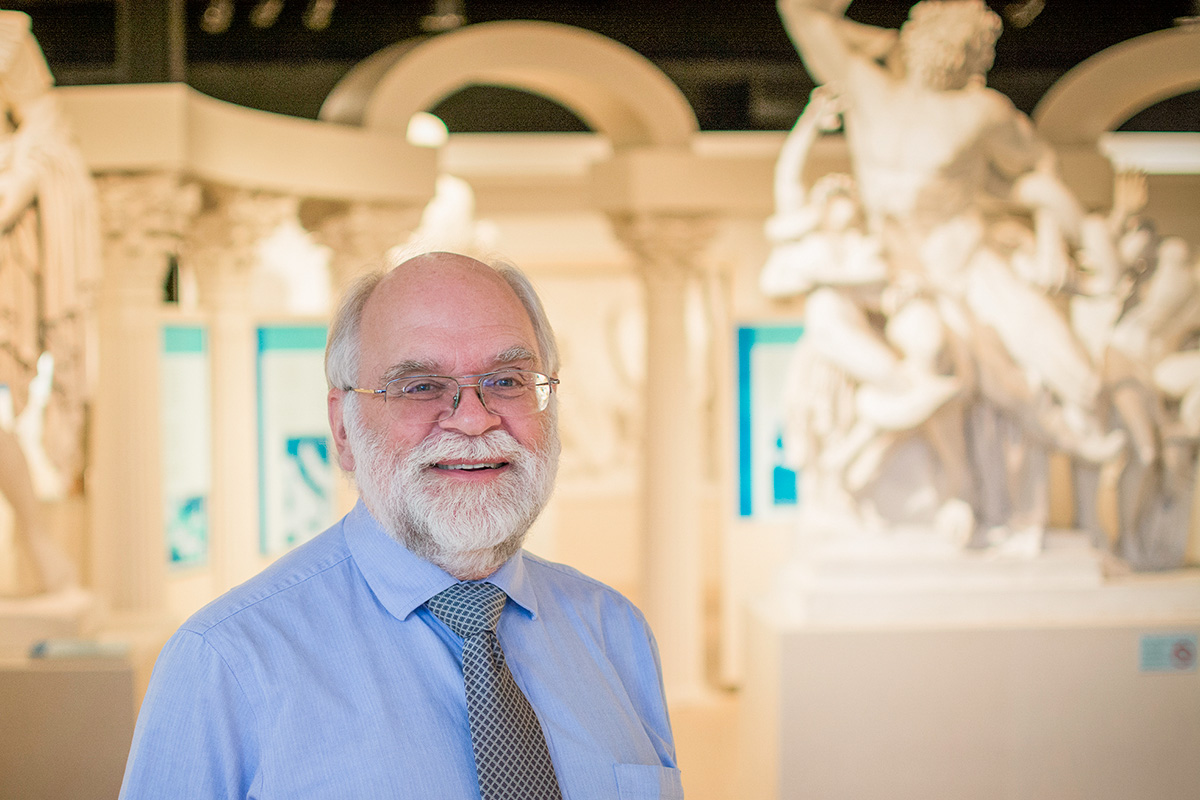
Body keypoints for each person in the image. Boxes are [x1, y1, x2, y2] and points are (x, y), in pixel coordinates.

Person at [120, 251, 683, 798]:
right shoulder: (226, 665)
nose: (472, 418)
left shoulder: (615, 633)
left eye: (508, 380)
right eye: (420, 386)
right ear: (343, 429)